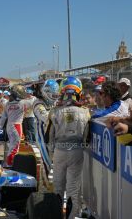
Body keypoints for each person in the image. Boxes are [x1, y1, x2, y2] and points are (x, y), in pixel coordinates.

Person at [48, 76, 90, 219]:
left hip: (59, 151)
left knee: (58, 186)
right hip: (77, 151)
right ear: (78, 92)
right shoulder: (85, 112)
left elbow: (50, 135)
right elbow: (87, 137)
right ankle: (72, 217)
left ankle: (56, 215)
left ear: (63, 92)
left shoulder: (54, 111)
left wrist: (51, 152)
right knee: (73, 187)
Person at [33, 79, 59, 189]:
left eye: (56, 95)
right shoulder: (38, 103)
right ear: (45, 92)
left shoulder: (55, 102)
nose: (54, 97)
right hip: (42, 136)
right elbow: (46, 117)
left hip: (53, 134)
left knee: (55, 161)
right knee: (46, 162)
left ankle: (52, 184)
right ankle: (44, 188)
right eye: (53, 95)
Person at [0, 85, 26, 166]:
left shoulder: (7, 104)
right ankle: (10, 165)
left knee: (11, 146)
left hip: (9, 126)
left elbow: (3, 118)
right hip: (17, 126)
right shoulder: (22, 103)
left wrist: (0, 128)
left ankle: (8, 163)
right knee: (15, 148)